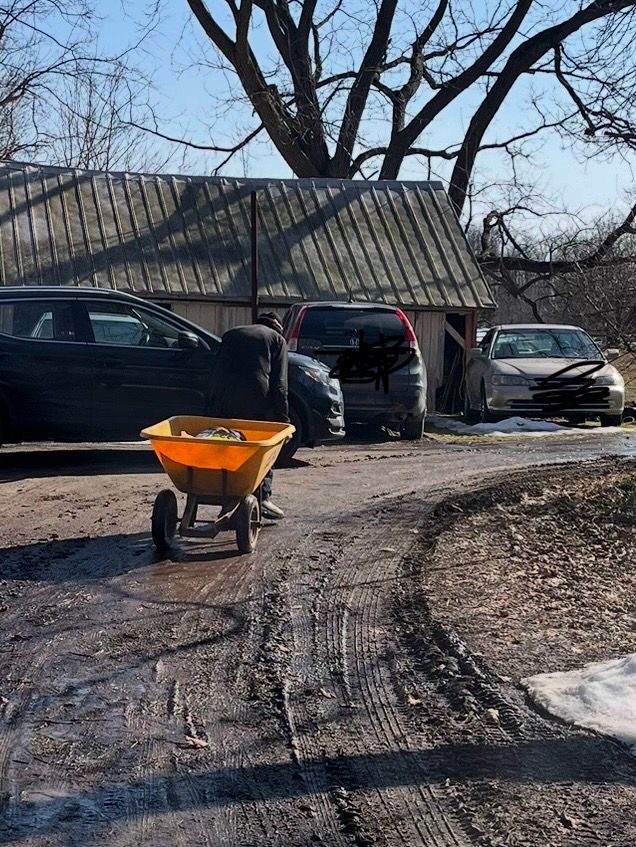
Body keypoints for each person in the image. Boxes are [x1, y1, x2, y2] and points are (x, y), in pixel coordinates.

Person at [209, 312, 289, 520]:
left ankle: (228, 495)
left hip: (223, 396)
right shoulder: (277, 339)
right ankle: (262, 497)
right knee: (264, 447)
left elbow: (215, 370)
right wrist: (282, 420)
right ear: (278, 327)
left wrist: (211, 408)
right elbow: (280, 385)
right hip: (254, 397)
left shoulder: (231, 334)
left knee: (228, 444)